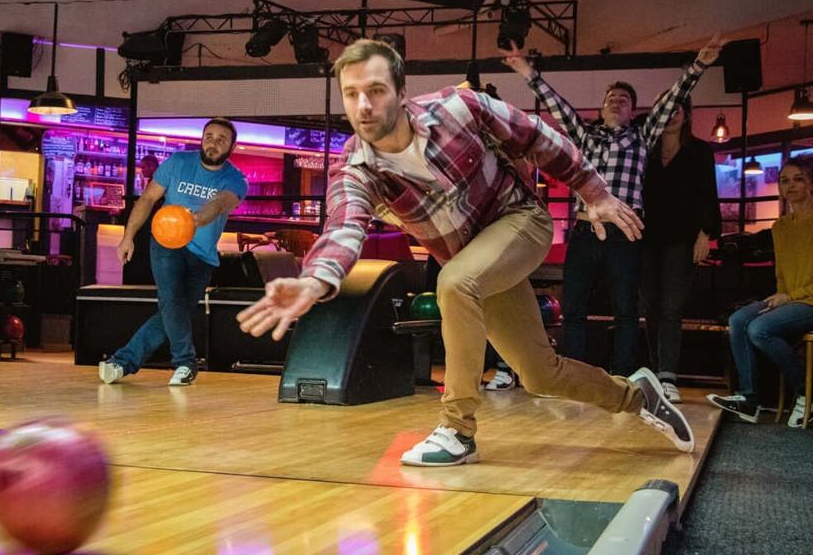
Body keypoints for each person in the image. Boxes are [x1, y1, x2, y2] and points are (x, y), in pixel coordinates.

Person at [237, 39, 695, 467]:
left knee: (454, 281)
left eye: (375, 90)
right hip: (477, 259)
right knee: (540, 374)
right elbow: (344, 225)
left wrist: (593, 191)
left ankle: (457, 429)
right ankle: (636, 396)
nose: (363, 105)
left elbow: (538, 137)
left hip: (520, 222)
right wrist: (315, 279)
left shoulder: (459, 107)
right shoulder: (356, 168)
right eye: (351, 93)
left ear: (400, 91)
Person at [497, 35, 724, 376]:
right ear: (601, 107)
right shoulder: (587, 136)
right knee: (573, 307)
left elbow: (673, 98)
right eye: (611, 99)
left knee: (626, 311)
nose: (617, 103)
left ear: (633, 111)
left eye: (624, 100)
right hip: (585, 231)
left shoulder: (642, 136)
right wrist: (527, 71)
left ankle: (622, 377)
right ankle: (572, 373)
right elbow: (558, 106)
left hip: (623, 235)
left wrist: (699, 65)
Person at [99, 118, 248, 386]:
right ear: (202, 138)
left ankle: (121, 362)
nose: (213, 142)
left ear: (232, 147)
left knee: (172, 310)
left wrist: (196, 219)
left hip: (202, 256)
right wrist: (127, 237)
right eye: (209, 136)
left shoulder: (235, 179)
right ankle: (185, 363)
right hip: (166, 245)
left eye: (221, 139)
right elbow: (147, 199)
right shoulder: (178, 162)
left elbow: (219, 204)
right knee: (171, 302)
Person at [707, 155, 813, 426]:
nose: (789, 186)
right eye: (784, 180)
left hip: (808, 300)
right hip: (790, 299)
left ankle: (806, 393)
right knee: (739, 320)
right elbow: (782, 273)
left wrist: (790, 297)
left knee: (759, 329)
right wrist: (783, 297)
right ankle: (749, 400)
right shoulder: (781, 227)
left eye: (798, 179)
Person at [641, 95, 721, 403]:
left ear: (687, 115)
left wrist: (706, 234)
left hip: (683, 238)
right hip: (646, 238)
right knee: (649, 306)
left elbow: (708, 194)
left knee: (671, 307)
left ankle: (668, 376)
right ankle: (655, 371)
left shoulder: (700, 150)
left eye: (678, 109)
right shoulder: (645, 149)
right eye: (666, 109)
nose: (672, 115)